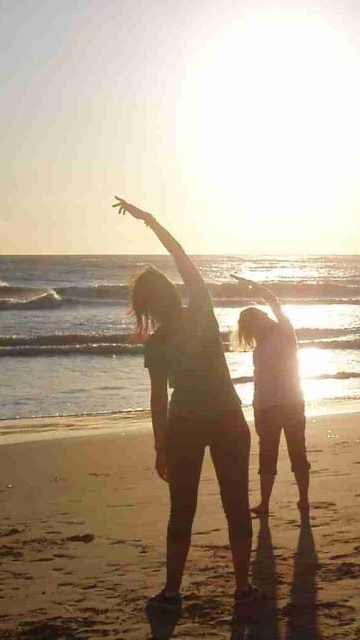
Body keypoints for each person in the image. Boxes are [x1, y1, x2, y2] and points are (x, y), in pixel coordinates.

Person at [114, 199, 258, 611]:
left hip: (185, 426)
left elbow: (158, 400)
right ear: (170, 292)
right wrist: (152, 222)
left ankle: (173, 591)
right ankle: (243, 587)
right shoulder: (201, 312)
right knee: (236, 501)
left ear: (145, 306)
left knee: (182, 509)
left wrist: (160, 446)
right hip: (228, 419)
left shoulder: (158, 344)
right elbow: (183, 258)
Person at [230, 274, 310, 515]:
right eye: (255, 319)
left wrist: (256, 288)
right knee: (272, 453)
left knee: (294, 451)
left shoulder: (284, 330)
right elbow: (260, 381)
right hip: (272, 405)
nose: (262, 318)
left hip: (286, 403)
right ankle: (267, 502)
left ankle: (301, 499)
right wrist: (257, 406)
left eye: (259, 316)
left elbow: (275, 303)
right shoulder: (267, 341)